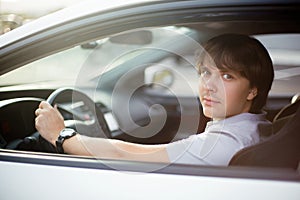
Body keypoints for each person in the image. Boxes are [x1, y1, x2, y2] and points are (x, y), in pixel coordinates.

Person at [35, 33, 274, 166]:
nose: (208, 86)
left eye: (226, 76)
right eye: (205, 72)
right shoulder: (260, 127)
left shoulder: (225, 144)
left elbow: (129, 155)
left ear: (253, 90)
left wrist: (61, 135)